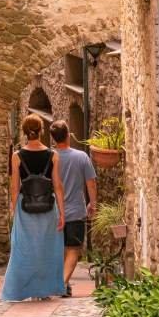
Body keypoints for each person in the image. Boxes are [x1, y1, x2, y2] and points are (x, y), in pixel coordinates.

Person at [0, 113, 66, 301]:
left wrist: (15, 210)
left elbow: (14, 187)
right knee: (47, 248)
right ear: (41, 131)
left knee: (24, 249)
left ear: (24, 132)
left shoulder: (16, 156)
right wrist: (62, 212)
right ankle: (44, 289)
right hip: (48, 208)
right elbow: (58, 186)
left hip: (25, 207)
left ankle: (24, 290)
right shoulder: (53, 155)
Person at [50, 120, 97, 296]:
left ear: (53, 138)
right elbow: (91, 184)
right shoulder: (81, 157)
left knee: (57, 249)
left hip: (53, 212)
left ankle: (63, 283)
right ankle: (62, 283)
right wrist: (93, 203)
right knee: (73, 249)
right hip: (76, 212)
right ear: (68, 135)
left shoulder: (49, 157)